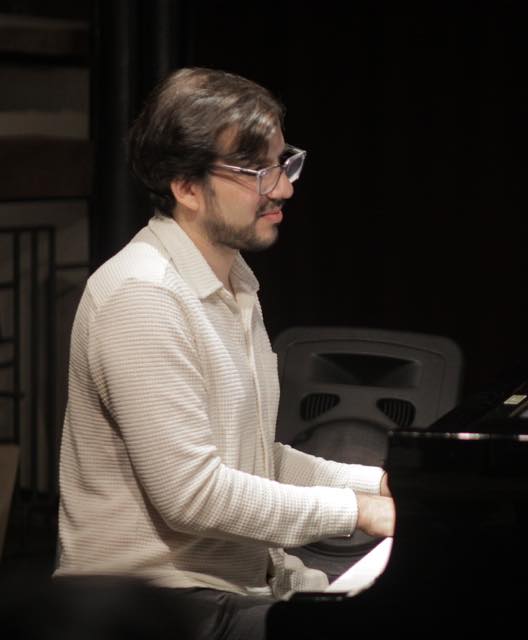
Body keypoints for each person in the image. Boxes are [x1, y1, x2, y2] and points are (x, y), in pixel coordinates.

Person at [54, 67, 395, 639]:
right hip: (145, 609)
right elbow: (193, 495)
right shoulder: (143, 295)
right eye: (258, 171)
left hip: (226, 588)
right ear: (186, 187)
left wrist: (379, 484)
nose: (283, 188)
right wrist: (358, 511)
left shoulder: (234, 284)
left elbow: (252, 460)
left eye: (284, 163)